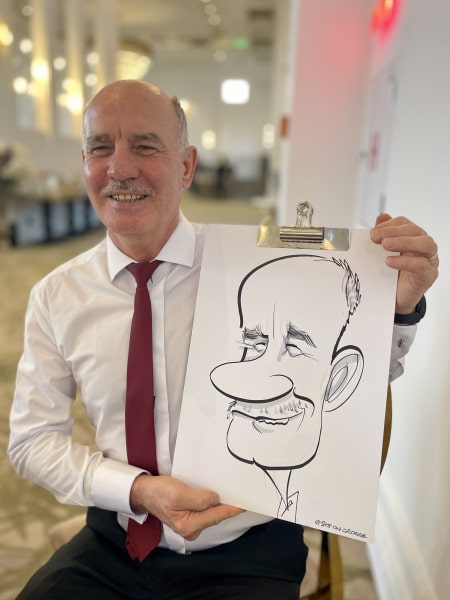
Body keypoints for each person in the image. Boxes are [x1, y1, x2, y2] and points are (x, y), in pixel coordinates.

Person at [8, 80, 439, 600]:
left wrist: (399, 306)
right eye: (101, 147)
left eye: (145, 145)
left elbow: (348, 377)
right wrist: (138, 491)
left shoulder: (253, 271)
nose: (120, 168)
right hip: (117, 538)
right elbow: (31, 441)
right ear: (84, 164)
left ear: (186, 166)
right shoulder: (58, 296)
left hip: (245, 546)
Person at [210, 255, 364, 522]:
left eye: (294, 348)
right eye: (256, 345)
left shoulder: (326, 492)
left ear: (338, 378)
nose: (263, 378)